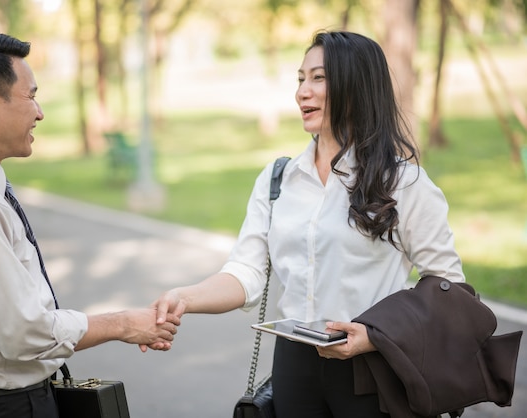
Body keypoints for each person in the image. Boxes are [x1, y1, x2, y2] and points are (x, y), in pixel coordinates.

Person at [148, 30, 465, 417]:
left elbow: (448, 287)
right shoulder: (278, 178)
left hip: (372, 368)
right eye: (301, 78)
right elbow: (247, 270)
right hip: (293, 366)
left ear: (356, 86)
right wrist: (186, 297)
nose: (302, 92)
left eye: (318, 78)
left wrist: (376, 335)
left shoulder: (404, 183)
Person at [0, 32, 179, 418]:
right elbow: (24, 333)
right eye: (31, 96)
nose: (40, 111)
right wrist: (124, 324)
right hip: (1, 406)